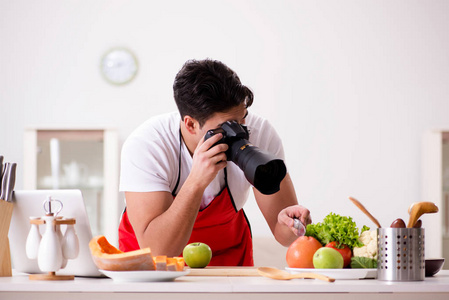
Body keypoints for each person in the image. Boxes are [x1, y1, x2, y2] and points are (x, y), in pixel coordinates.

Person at [118, 59, 311, 266]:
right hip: (151, 266)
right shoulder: (148, 145)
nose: (240, 132)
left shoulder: (260, 133)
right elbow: (159, 250)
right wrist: (196, 182)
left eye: (242, 118)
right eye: (226, 126)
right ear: (190, 124)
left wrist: (292, 225)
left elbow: (285, 236)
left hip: (228, 259)